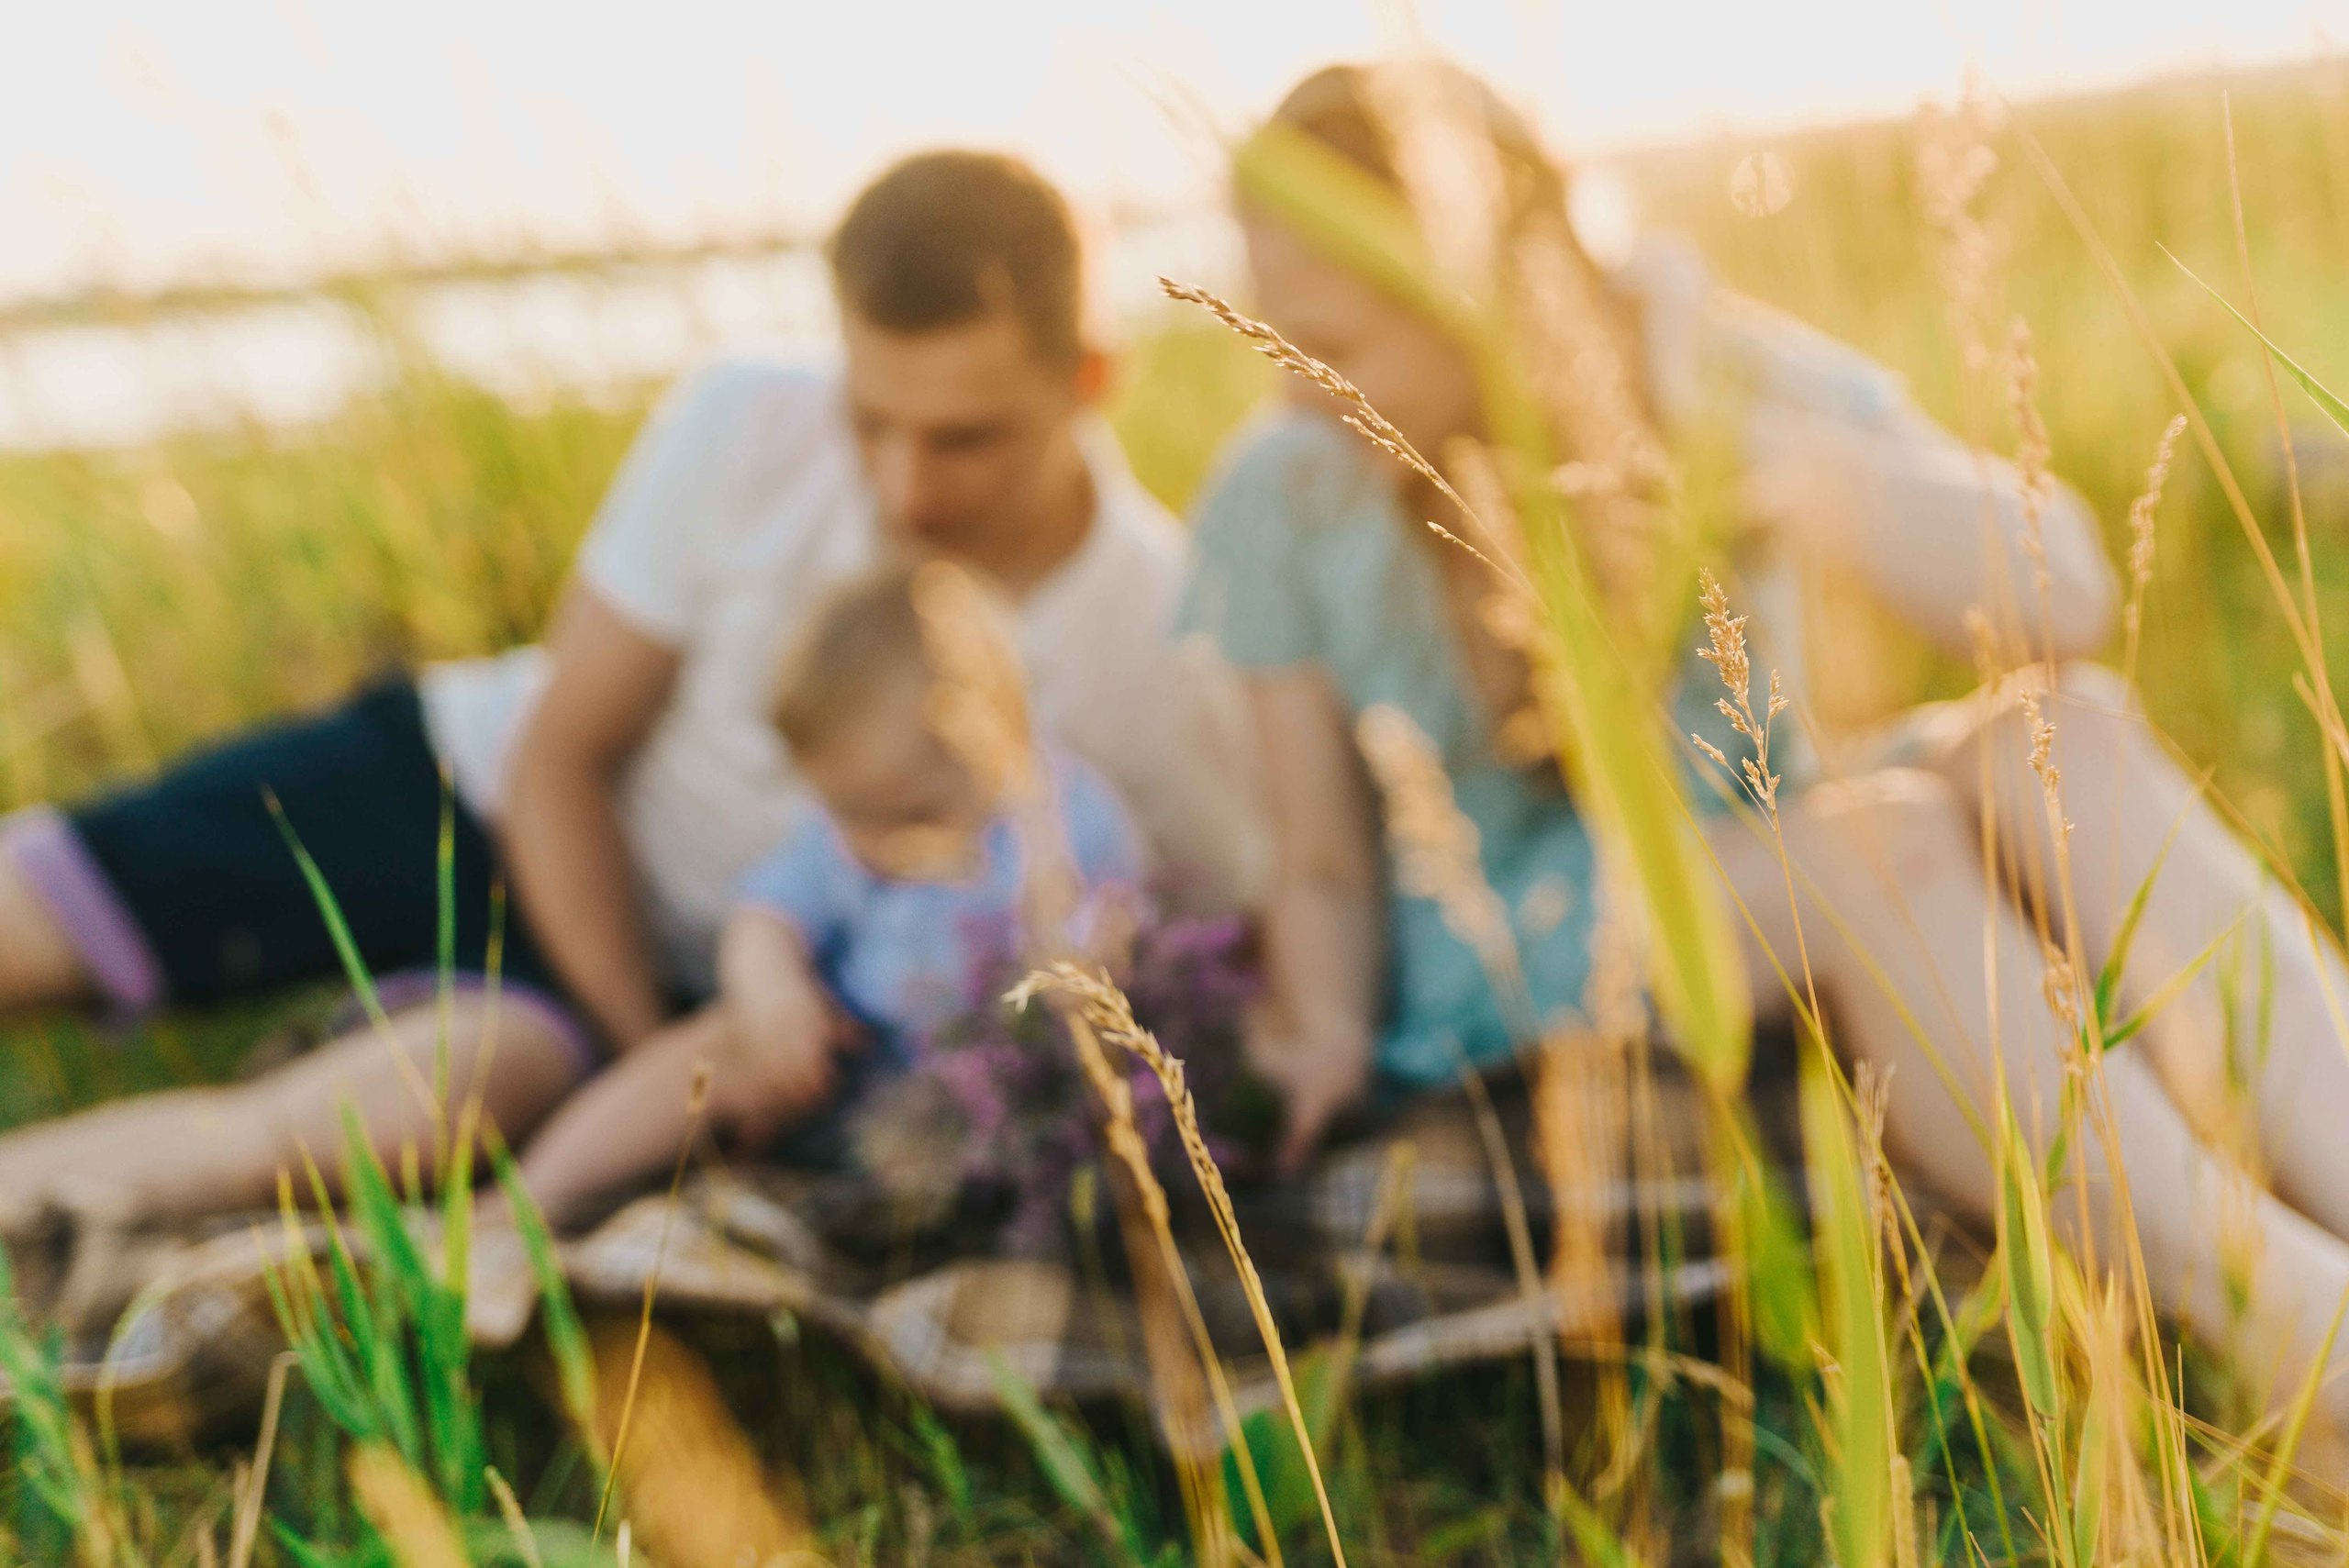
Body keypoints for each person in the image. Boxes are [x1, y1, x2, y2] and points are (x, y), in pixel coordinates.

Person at [1192, 60, 2349, 1429]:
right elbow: (1319, 850)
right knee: (1879, 845)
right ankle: (2297, 1327)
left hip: (1778, 845)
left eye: (1338, 339)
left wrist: (1736, 435)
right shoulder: (1287, 488)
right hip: (1504, 930)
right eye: (1277, 331)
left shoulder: (1693, 368)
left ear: (1482, 293)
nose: (1300, 380)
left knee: (2062, 738)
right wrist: (1318, 1035)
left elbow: (2069, 600)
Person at [0, 149, 1252, 1244]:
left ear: (1092, 380)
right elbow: (560, 753)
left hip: (597, 1002)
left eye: (965, 437)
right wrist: (646, 1035)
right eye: (871, 419)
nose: (904, 485)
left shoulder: (1157, 623)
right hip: (461, 784)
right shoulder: (742, 423)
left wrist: (656, 1063)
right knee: (37, 917)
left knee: (329, 1132)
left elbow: (1175, 926)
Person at [511, 560, 1140, 1229]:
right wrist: (777, 998)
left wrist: (1079, 972)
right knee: (716, 1044)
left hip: (980, 1107)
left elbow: (1111, 952)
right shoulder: (845, 834)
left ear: (987, 742)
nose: (867, 840)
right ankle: (526, 1203)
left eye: (903, 811)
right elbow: (766, 915)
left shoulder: (1069, 825)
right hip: (833, 1073)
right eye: (845, 813)